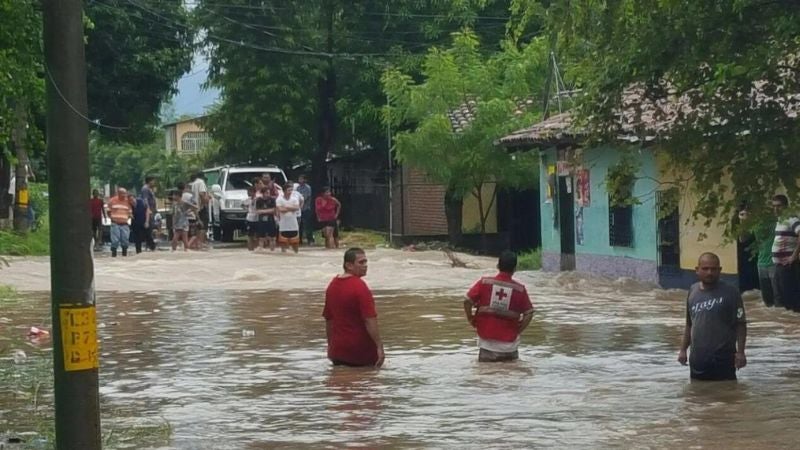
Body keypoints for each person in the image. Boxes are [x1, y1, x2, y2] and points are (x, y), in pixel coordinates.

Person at [678, 252, 747, 381]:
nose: (709, 272)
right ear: (697, 270)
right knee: (696, 392)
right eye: (705, 268)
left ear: (720, 270)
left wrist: (741, 352)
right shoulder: (692, 291)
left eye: (713, 269)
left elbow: (741, 323)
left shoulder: (731, 292)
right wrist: (683, 350)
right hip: (698, 359)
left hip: (724, 359)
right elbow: (689, 324)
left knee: (726, 391)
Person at [463, 251, 535, 362]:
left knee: (486, 372)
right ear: (515, 268)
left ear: (497, 266)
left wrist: (470, 318)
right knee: (511, 372)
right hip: (510, 348)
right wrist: (518, 330)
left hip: (487, 347)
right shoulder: (520, 289)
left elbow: (467, 301)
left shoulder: (484, 283)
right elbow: (529, 313)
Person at [323, 248, 384, 368]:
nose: (365, 265)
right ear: (349, 265)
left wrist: (330, 346)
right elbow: (369, 319)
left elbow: (329, 319)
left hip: (338, 351)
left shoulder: (332, 285)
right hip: (360, 352)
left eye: (366, 262)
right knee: (367, 378)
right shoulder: (360, 286)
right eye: (361, 262)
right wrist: (379, 346)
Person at [770, 194, 800, 312]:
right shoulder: (780, 221)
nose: (776, 209)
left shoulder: (792, 219)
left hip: (788, 266)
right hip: (779, 265)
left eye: (779, 206)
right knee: (784, 300)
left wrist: (794, 256)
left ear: (786, 207)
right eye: (774, 206)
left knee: (792, 300)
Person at [107, 187, 132, 257]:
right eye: (122, 193)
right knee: (115, 240)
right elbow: (108, 211)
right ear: (118, 193)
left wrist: (126, 218)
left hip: (124, 224)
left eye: (125, 193)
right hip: (115, 223)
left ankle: (124, 254)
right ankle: (114, 254)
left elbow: (130, 212)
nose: (124, 195)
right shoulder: (112, 200)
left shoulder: (127, 202)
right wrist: (112, 218)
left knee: (125, 239)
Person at [276, 182, 301, 253]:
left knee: (295, 243)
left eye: (291, 190)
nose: (290, 192)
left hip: (293, 224)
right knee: (283, 242)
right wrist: (291, 208)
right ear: (284, 191)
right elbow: (280, 209)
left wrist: (286, 207)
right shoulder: (279, 199)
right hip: (283, 224)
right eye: (289, 190)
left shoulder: (294, 199)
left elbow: (297, 207)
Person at [190, 172, 210, 249]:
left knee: (198, 226)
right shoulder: (201, 182)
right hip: (201, 207)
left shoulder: (194, 183)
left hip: (195, 207)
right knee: (203, 226)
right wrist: (204, 202)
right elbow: (201, 194)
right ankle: (201, 243)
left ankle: (198, 244)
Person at [140, 176, 158, 251]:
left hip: (151, 211)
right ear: (150, 181)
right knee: (148, 228)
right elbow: (145, 199)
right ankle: (151, 245)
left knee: (150, 228)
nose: (154, 182)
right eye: (153, 181)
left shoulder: (150, 189)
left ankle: (150, 245)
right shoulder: (145, 189)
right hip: (148, 211)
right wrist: (148, 209)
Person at [256, 186, 277, 251]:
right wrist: (268, 211)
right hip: (261, 220)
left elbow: (274, 210)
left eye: (269, 193)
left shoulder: (272, 200)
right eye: (267, 193)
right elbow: (258, 211)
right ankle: (261, 249)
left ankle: (272, 250)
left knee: (272, 237)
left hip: (270, 220)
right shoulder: (259, 200)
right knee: (261, 237)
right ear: (263, 193)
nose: (268, 194)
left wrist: (263, 211)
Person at [296, 175, 314, 245]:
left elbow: (305, 198)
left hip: (306, 208)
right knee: (299, 225)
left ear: (305, 180)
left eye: (301, 179)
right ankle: (299, 240)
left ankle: (310, 239)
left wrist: (300, 201)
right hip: (299, 209)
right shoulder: (298, 188)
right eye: (299, 179)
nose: (300, 180)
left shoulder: (308, 188)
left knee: (307, 225)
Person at [243, 186, 260, 251]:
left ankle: (257, 248)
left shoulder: (258, 199)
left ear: (253, 192)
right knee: (250, 235)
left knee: (257, 235)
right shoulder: (248, 199)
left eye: (249, 192)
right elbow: (242, 204)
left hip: (257, 218)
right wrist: (247, 209)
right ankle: (250, 248)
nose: (248, 193)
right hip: (250, 218)